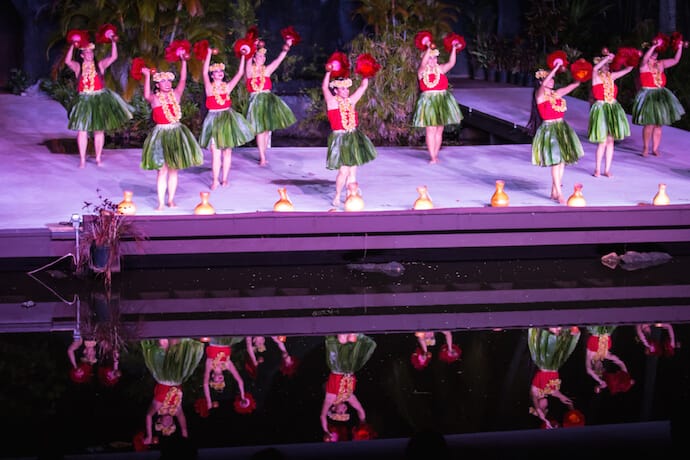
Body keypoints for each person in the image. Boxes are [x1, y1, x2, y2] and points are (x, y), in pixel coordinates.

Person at [140, 57, 204, 211]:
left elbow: (183, 78)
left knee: (174, 168)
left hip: (176, 132)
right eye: (164, 82)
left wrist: (183, 61)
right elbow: (146, 94)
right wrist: (147, 76)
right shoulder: (154, 99)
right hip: (161, 134)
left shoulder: (176, 94)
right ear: (158, 85)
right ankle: (161, 202)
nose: (168, 84)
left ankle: (171, 200)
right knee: (162, 170)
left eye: (169, 81)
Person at [64, 38, 133, 168]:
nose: (90, 54)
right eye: (87, 52)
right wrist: (72, 45)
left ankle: (98, 157)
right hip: (84, 100)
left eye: (91, 52)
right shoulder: (78, 67)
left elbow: (113, 57)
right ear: (82, 55)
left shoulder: (100, 65)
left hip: (99, 100)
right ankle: (83, 159)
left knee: (99, 130)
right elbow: (67, 61)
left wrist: (113, 41)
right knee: (82, 130)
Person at [526, 63, 584, 204]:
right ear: (541, 82)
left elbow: (571, 87)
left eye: (553, 79)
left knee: (562, 160)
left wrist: (580, 78)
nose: (552, 81)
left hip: (562, 128)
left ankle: (554, 190)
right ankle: (559, 193)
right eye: (549, 79)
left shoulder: (556, 94)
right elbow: (545, 82)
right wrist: (555, 69)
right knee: (556, 161)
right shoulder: (539, 95)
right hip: (549, 130)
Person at [322, 68, 378, 207]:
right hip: (340, 138)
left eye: (347, 89)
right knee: (344, 169)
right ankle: (337, 195)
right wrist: (328, 72)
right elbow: (324, 87)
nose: (347, 91)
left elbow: (363, 87)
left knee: (353, 169)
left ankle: (350, 194)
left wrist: (366, 72)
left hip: (353, 136)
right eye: (343, 89)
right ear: (336, 91)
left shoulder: (351, 101)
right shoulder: (332, 102)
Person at [200, 48, 254, 190]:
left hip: (227, 119)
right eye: (216, 72)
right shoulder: (209, 88)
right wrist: (209, 54)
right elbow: (204, 72)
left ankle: (224, 179)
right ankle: (215, 180)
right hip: (213, 119)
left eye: (221, 72)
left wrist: (243, 56)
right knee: (215, 152)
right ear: (212, 75)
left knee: (227, 151)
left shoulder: (227, 87)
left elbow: (240, 73)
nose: (219, 73)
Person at [140, 338, 204, 445]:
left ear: (160, 421)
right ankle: (178, 333)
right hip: (177, 377)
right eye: (171, 424)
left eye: (166, 424)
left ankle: (164, 334)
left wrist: (150, 436)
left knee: (164, 347)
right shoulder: (177, 410)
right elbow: (184, 428)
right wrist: (186, 445)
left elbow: (148, 416)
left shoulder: (158, 407)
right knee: (178, 351)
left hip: (164, 376)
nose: (169, 422)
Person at [244, 37, 297, 166]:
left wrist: (287, 46)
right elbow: (247, 62)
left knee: (267, 129)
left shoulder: (267, 71)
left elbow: (278, 60)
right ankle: (262, 156)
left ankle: (263, 153)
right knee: (260, 130)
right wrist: (252, 46)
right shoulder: (250, 71)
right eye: (259, 56)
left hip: (268, 101)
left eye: (263, 57)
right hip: (256, 101)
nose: (262, 58)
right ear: (254, 58)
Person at [632, 38, 685, 157]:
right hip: (648, 95)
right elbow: (645, 58)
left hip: (661, 95)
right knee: (649, 123)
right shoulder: (643, 66)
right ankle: (645, 147)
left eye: (656, 54)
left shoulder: (660, 64)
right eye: (652, 54)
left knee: (658, 124)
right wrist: (653, 46)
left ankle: (655, 148)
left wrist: (680, 47)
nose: (655, 56)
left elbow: (675, 60)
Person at [412, 44, 464, 164]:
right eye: (430, 58)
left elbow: (451, 63)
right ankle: (432, 157)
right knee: (430, 129)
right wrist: (428, 48)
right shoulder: (421, 72)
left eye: (435, 58)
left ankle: (435, 155)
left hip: (442, 100)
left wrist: (454, 49)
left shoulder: (440, 69)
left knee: (439, 129)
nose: (433, 60)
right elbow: (423, 63)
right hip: (428, 101)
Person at [320, 333, 376, 441]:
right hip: (350, 367)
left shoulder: (330, 397)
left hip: (338, 366)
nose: (345, 410)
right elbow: (360, 409)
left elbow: (322, 416)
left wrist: (326, 432)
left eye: (341, 412)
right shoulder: (349, 397)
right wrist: (363, 423)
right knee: (351, 339)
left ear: (333, 408)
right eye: (345, 412)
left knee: (342, 339)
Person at [588, 52, 634, 177]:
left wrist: (630, 59)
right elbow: (595, 68)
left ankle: (607, 169)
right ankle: (597, 169)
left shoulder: (611, 76)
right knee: (602, 141)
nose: (607, 67)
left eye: (609, 65)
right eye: (605, 65)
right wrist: (607, 58)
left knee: (610, 141)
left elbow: (628, 69)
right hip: (601, 108)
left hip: (613, 108)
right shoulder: (596, 76)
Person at [527, 327, 580, 429]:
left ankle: (554, 329)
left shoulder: (534, 393)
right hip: (555, 365)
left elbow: (538, 407)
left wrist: (545, 420)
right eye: (546, 408)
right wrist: (562, 397)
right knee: (562, 350)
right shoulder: (547, 392)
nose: (545, 407)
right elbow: (554, 392)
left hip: (546, 362)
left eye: (544, 408)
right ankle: (568, 332)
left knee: (550, 343)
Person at [202, 337, 247, 410]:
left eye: (217, 381)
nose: (220, 380)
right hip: (226, 341)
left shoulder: (210, 365)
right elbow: (239, 380)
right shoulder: (227, 365)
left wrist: (209, 402)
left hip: (214, 341)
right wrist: (242, 396)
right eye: (222, 381)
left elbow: (205, 384)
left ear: (213, 376)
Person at [585, 326, 633, 393]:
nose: (601, 367)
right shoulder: (606, 355)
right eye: (602, 368)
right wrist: (625, 375)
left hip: (595, 330)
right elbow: (620, 362)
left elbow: (588, 370)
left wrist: (600, 382)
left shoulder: (589, 357)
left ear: (593, 369)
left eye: (598, 369)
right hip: (606, 329)